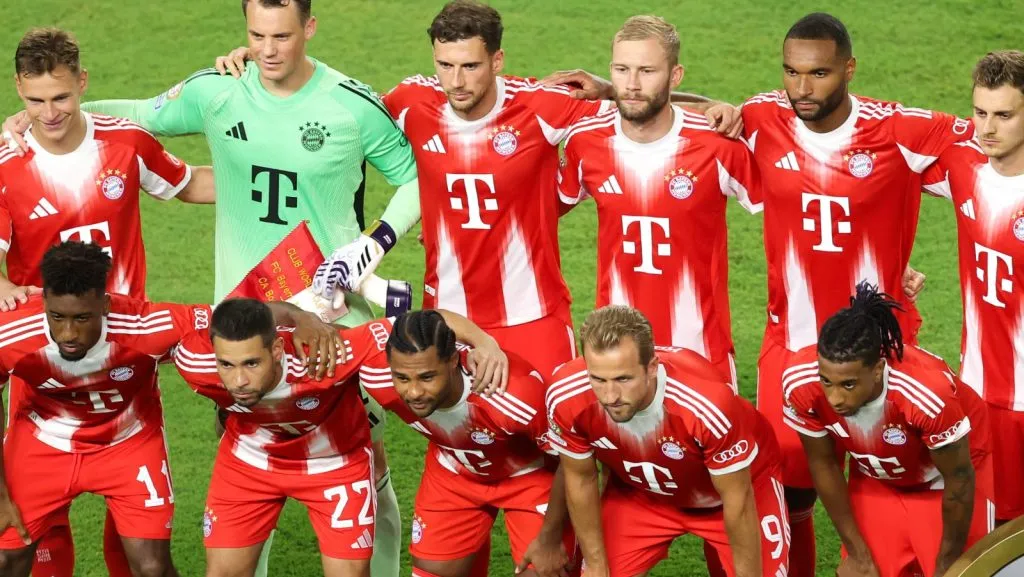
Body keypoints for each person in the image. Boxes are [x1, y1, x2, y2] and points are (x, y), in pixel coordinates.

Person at [6, 1, 424, 572]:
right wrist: (38, 119)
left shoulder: (351, 105)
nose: (268, 48)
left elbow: (417, 178)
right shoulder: (216, 90)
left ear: (310, 27)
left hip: (331, 311)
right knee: (251, 459)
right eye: (256, 34)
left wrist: (374, 242)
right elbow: (136, 114)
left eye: (281, 34)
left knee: (365, 464)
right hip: (238, 320)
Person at [305, 0, 737, 382]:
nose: (455, 81)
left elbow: (642, 107)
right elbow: (335, 108)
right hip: (450, 311)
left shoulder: (541, 106)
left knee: (557, 440)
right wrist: (248, 67)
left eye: (470, 66)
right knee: (460, 433)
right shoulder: (411, 101)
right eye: (445, 65)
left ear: (497, 61)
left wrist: (712, 106)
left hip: (535, 318)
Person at [0, 27, 214, 577]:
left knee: (140, 549)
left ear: (83, 83)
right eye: (35, 100)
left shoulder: (125, 143)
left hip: (125, 355)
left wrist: (280, 176)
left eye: (62, 97)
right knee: (33, 540)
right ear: (18, 92)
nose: (49, 112)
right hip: (42, 363)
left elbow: (190, 183)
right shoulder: (5, 164)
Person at [0, 241, 336, 577]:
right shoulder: (10, 332)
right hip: (42, 446)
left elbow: (234, 314)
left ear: (105, 305)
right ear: (43, 301)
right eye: (57, 317)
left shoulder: (148, 325)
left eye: (82, 318)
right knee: (7, 560)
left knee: (151, 567)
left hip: (128, 444)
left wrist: (298, 315)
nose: (68, 333)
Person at [173, 300, 507, 577]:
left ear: (277, 350)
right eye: (226, 365)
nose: (239, 380)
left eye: (251, 363)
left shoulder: (327, 356)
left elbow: (424, 320)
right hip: (249, 463)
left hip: (334, 465)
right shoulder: (194, 360)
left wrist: (484, 342)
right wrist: (297, 314)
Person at [558, 15, 762, 386]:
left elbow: (791, 206)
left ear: (675, 75)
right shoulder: (585, 143)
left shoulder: (717, 144)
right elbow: (530, 211)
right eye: (622, 69)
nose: (632, 85)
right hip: (615, 355)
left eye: (647, 71)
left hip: (701, 350)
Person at [547, 306, 790, 577]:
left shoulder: (705, 407)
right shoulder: (566, 397)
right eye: (598, 379)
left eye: (623, 379)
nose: (609, 395)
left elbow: (739, 500)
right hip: (640, 496)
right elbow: (581, 479)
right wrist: (595, 565)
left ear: (652, 367)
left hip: (738, 492)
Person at [782, 282, 994, 577]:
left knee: (959, 573)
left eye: (848, 385)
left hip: (943, 479)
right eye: (826, 381)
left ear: (879, 369)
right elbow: (823, 463)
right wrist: (857, 553)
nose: (834, 398)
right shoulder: (800, 384)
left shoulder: (926, 397)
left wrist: (948, 565)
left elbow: (959, 481)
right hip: (877, 476)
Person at [357, 310, 575, 577]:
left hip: (529, 478)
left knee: (545, 570)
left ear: (452, 361)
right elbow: (421, 319)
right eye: (402, 378)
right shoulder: (375, 371)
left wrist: (551, 538)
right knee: (432, 571)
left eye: (427, 377)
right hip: (454, 471)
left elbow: (573, 461)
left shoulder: (513, 397)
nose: (413, 392)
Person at [922, 50, 1024, 526]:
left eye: (1004, 115)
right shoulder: (964, 165)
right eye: (980, 112)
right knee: (991, 528)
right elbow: (878, 169)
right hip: (979, 389)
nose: (987, 128)